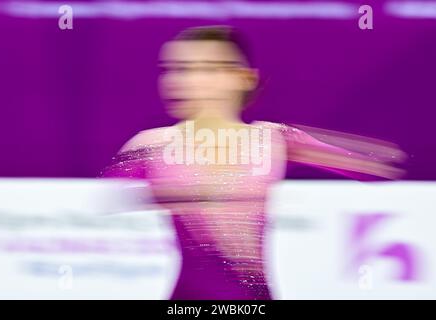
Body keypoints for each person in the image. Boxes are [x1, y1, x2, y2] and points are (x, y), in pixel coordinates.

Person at [100, 26, 405, 300]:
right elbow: (104, 198)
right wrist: (162, 196)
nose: (179, 80)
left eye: (200, 69)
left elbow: (378, 167)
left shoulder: (273, 139)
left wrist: (375, 159)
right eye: (173, 69)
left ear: (242, 78)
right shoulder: (152, 145)